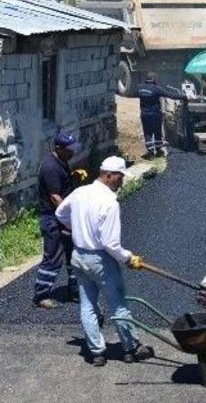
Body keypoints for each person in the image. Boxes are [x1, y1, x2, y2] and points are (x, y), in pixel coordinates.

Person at [55, 156, 153, 366]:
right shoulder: (109, 202)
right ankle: (131, 348)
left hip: (78, 256)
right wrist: (128, 258)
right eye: (120, 177)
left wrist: (77, 228)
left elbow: (60, 212)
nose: (122, 181)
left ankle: (97, 352)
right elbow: (110, 243)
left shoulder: (80, 193)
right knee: (118, 304)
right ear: (108, 175)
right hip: (100, 260)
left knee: (87, 305)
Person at [33, 131, 80, 308]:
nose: (72, 152)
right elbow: (55, 197)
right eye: (69, 149)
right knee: (53, 257)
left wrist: (73, 178)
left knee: (74, 254)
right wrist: (69, 217)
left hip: (63, 218)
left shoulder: (61, 161)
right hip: (54, 219)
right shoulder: (50, 167)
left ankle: (76, 290)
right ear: (59, 148)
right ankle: (41, 295)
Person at [137, 72, 186, 159]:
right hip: (155, 114)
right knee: (157, 132)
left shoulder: (140, 88)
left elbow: (135, 94)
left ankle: (150, 153)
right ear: (153, 79)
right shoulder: (156, 89)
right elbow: (170, 95)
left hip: (145, 114)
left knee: (147, 133)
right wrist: (183, 97)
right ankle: (159, 151)